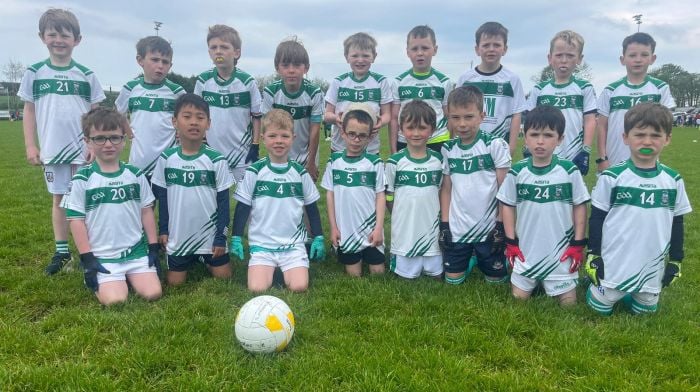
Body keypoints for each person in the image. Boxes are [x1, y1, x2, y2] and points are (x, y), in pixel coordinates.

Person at [18, 8, 106, 275]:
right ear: (42, 37)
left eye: (65, 35)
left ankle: (91, 251)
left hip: (84, 151)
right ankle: (62, 252)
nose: (58, 39)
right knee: (59, 200)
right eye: (52, 34)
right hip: (54, 150)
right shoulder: (35, 73)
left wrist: (93, 144)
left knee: (88, 200)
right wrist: (31, 145)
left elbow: (96, 113)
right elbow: (29, 110)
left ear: (76, 40)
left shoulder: (86, 74)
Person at [586, 103, 691, 315]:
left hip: (651, 269)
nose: (647, 141)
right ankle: (604, 288)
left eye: (655, 135)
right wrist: (593, 254)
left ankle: (637, 289)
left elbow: (677, 221)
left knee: (645, 313)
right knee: (600, 310)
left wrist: (676, 259)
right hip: (612, 265)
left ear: (667, 139)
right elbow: (596, 218)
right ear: (626, 138)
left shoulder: (673, 180)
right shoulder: (612, 177)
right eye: (640, 134)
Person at [62, 107, 161, 305]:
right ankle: (108, 280)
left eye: (114, 137)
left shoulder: (135, 174)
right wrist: (87, 259)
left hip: (136, 252)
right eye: (100, 138)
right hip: (103, 256)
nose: (108, 144)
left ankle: (129, 276)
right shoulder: (83, 179)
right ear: (87, 142)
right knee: (116, 301)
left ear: (124, 140)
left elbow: (146, 212)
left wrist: (153, 247)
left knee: (153, 293)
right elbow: (76, 221)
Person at [496, 105, 590, 306]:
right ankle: (534, 278)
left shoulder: (569, 170)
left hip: (560, 254)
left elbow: (580, 206)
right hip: (526, 251)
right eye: (534, 134)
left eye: (548, 135)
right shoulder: (517, 171)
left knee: (568, 305)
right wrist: (511, 242)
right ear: (525, 137)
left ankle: (551, 278)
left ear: (560, 139)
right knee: (518, 300)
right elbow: (508, 205)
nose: (540, 141)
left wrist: (578, 243)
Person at [230, 109, 325, 292]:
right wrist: (236, 237)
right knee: (257, 289)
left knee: (299, 287)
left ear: (293, 137)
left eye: (284, 136)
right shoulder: (254, 172)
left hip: (293, 245)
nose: (279, 141)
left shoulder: (300, 172)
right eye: (272, 136)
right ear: (263, 138)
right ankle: (270, 269)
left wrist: (319, 237)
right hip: (263, 245)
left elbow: (311, 207)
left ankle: (285, 269)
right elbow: (243, 207)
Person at [151, 94, 235, 285]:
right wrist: (163, 230)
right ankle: (189, 256)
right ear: (175, 121)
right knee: (175, 283)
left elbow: (223, 203)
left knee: (224, 278)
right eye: (187, 116)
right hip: (179, 238)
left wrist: (220, 238)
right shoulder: (166, 158)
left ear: (209, 123)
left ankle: (203, 257)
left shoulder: (216, 160)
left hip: (210, 239)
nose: (194, 122)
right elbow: (162, 199)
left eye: (200, 117)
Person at [439, 86, 511, 284]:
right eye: (455, 117)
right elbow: (446, 189)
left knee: (496, 281)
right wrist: (445, 224)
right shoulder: (448, 149)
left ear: (482, 116)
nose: (461, 124)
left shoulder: (494, 145)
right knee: (452, 281)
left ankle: (480, 257)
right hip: (458, 228)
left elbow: (505, 190)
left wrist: (500, 224)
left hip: (489, 229)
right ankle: (470, 258)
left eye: (469, 117)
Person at [322, 103, 386, 276]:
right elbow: (330, 195)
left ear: (369, 138)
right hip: (346, 231)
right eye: (352, 134)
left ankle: (371, 247)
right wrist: (333, 227)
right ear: (342, 133)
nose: (356, 140)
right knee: (354, 275)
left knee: (378, 273)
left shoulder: (375, 163)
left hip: (370, 230)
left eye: (362, 136)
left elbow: (381, 197)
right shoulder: (334, 162)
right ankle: (344, 249)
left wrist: (379, 228)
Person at [596, 32, 675, 171]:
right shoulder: (611, 90)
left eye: (644, 55)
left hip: (647, 160)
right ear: (622, 59)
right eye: (632, 55)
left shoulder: (660, 88)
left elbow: (666, 124)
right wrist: (602, 158)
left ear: (653, 58)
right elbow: (602, 126)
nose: (638, 60)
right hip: (614, 159)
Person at [194, 24, 262, 182]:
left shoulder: (248, 82)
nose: (218, 51)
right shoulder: (203, 81)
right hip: (211, 152)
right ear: (209, 52)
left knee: (247, 201)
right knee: (213, 200)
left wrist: (255, 145)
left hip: (242, 153)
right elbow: (197, 116)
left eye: (224, 47)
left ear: (237, 52)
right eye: (213, 47)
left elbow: (257, 116)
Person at [386, 100, 443, 279]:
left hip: (432, 232)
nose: (416, 133)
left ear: (432, 129)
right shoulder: (395, 162)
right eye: (410, 128)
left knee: (436, 274)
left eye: (422, 128)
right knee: (405, 276)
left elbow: (442, 193)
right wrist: (395, 211)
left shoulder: (439, 161)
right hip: (404, 232)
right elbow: (388, 196)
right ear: (401, 129)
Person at [526, 30, 597, 175]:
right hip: (543, 151)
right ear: (550, 58)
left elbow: (590, 120)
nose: (564, 60)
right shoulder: (539, 89)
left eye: (570, 55)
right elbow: (528, 121)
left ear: (579, 59)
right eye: (559, 55)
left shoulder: (585, 87)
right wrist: (527, 147)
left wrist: (586, 150)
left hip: (574, 153)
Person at [115, 35, 186, 179]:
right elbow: (117, 115)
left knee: (169, 202)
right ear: (140, 60)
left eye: (165, 62)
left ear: (170, 66)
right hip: (138, 163)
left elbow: (187, 117)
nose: (160, 65)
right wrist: (130, 134)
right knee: (144, 202)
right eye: (154, 60)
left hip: (169, 163)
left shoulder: (177, 92)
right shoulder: (130, 88)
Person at [457, 22, 526, 157]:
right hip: (469, 144)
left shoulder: (512, 79)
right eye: (486, 45)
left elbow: (516, 115)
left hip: (499, 145)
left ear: (505, 49)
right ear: (477, 49)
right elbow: (456, 112)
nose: (491, 49)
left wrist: (511, 148)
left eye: (497, 45)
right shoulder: (465, 79)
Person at [261, 38, 323, 181]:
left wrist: (311, 161)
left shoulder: (314, 92)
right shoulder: (271, 92)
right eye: (285, 65)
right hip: (279, 151)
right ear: (277, 67)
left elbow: (315, 129)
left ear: (306, 68)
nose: (291, 70)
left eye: (296, 65)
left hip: (307, 154)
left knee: (305, 197)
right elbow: (269, 128)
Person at [324, 32, 393, 154]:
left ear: (374, 56)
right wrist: (336, 119)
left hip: (370, 148)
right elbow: (327, 115)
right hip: (340, 148)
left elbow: (387, 114)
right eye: (355, 55)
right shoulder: (338, 82)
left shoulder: (381, 82)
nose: (360, 60)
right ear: (346, 57)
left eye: (366, 55)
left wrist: (380, 122)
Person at [390, 25, 454, 154]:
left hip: (437, 139)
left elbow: (450, 116)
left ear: (434, 50)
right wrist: (393, 148)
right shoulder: (398, 82)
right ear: (408, 52)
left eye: (425, 48)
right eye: (414, 49)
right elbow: (394, 118)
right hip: (406, 140)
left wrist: (451, 144)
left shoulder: (444, 82)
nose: (420, 53)